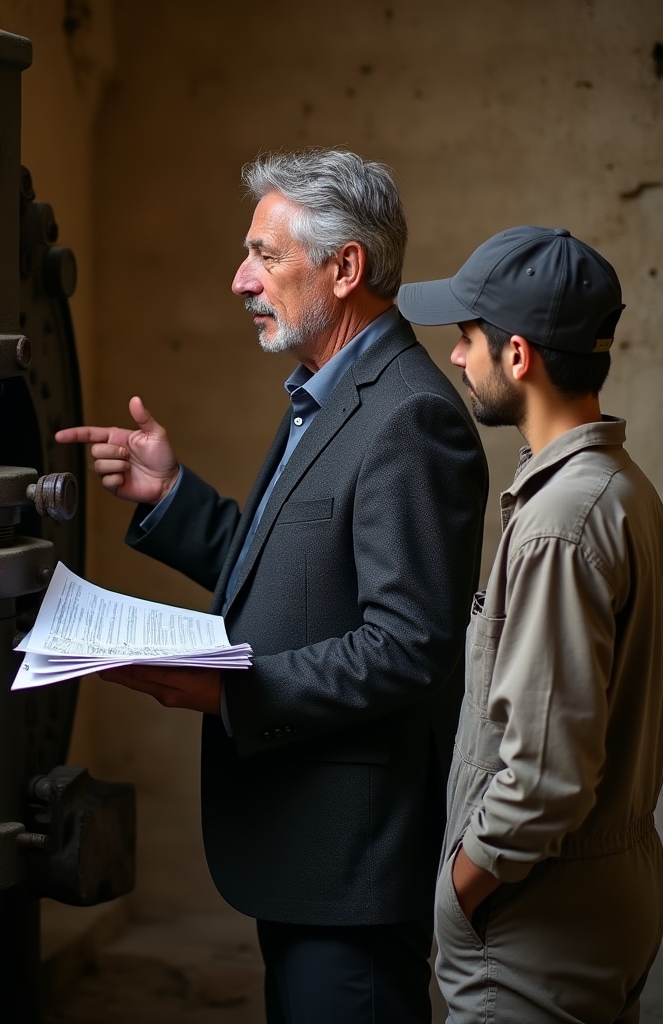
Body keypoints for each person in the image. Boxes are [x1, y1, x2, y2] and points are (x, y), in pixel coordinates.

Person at [57, 147, 489, 1023]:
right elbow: (288, 576)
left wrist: (230, 692)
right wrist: (173, 498)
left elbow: (410, 647)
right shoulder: (329, 396)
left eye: (264, 255)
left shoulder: (408, 416)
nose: (238, 280)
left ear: (345, 269)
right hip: (302, 852)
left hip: (351, 865)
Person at [398, 225, 663, 1023]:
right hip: (593, 907)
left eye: (467, 337)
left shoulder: (562, 523)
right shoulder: (622, 489)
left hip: (533, 934)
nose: (454, 357)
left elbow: (544, 780)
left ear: (518, 356)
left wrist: (459, 892)